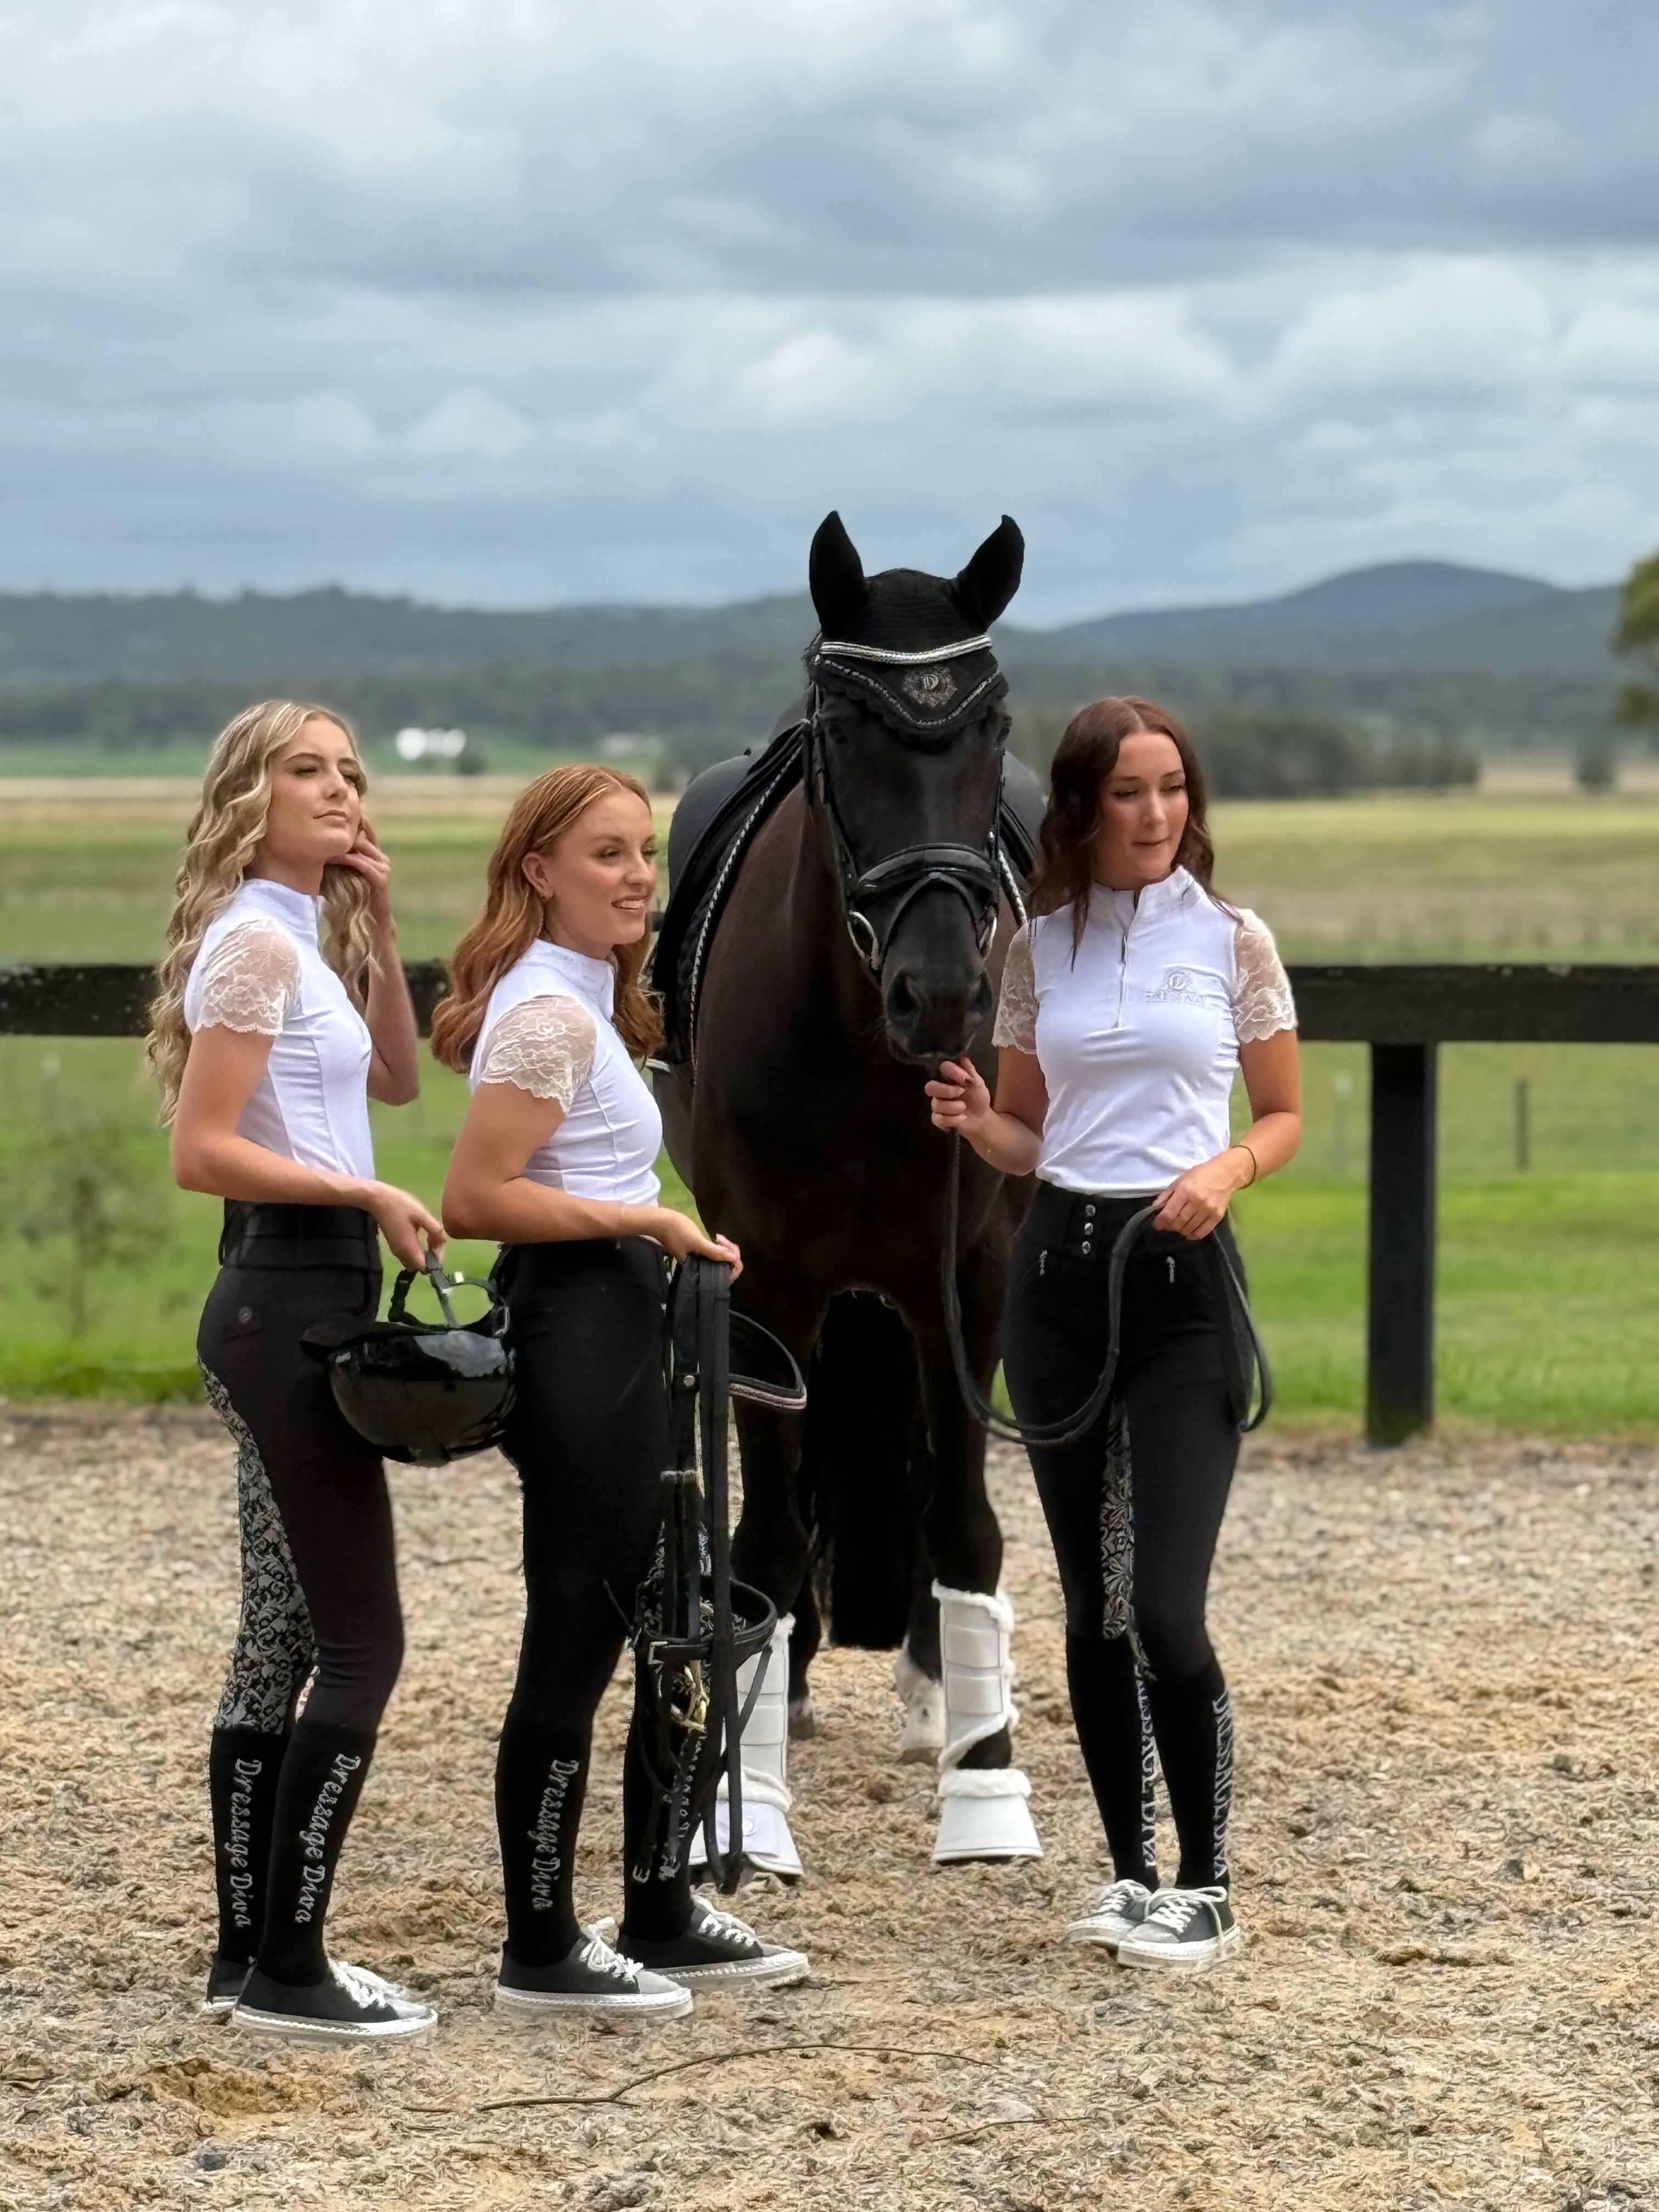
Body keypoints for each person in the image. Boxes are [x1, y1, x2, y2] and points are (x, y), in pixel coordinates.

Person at [927, 696, 1300, 1972]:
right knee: (1091, 1606)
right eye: (1130, 793)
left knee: (1166, 1608)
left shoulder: (1234, 940)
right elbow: (1036, 1135)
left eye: (1174, 789)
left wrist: (1231, 1168)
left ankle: (1208, 1878)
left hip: (1184, 1282)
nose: (1157, 815)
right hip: (1059, 1282)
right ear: (1081, 810)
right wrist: (982, 1124)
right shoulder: (1035, 948)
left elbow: (1286, 1114)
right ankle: (1131, 1871)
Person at [434, 764, 809, 2022]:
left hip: (633, 1321)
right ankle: (539, 1942)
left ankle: (657, 1902)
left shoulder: (591, 1005)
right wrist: (643, 1217)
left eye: (643, 852)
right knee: (580, 1636)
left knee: (674, 1623)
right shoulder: (544, 1015)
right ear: (538, 871)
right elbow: (476, 1198)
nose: (638, 876)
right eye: (605, 854)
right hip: (579, 1326)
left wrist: (664, 1231)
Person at [148, 699, 443, 2042]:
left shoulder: (300, 941)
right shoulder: (255, 944)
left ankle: (245, 1954)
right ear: (245, 797)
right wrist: (366, 1199)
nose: (340, 789)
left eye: (351, 772)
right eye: (305, 770)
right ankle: (295, 1965)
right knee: (360, 1643)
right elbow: (201, 1149)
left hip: (301, 1294)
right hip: (284, 1293)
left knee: (279, 1635)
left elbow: (394, 1077)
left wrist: (378, 928)